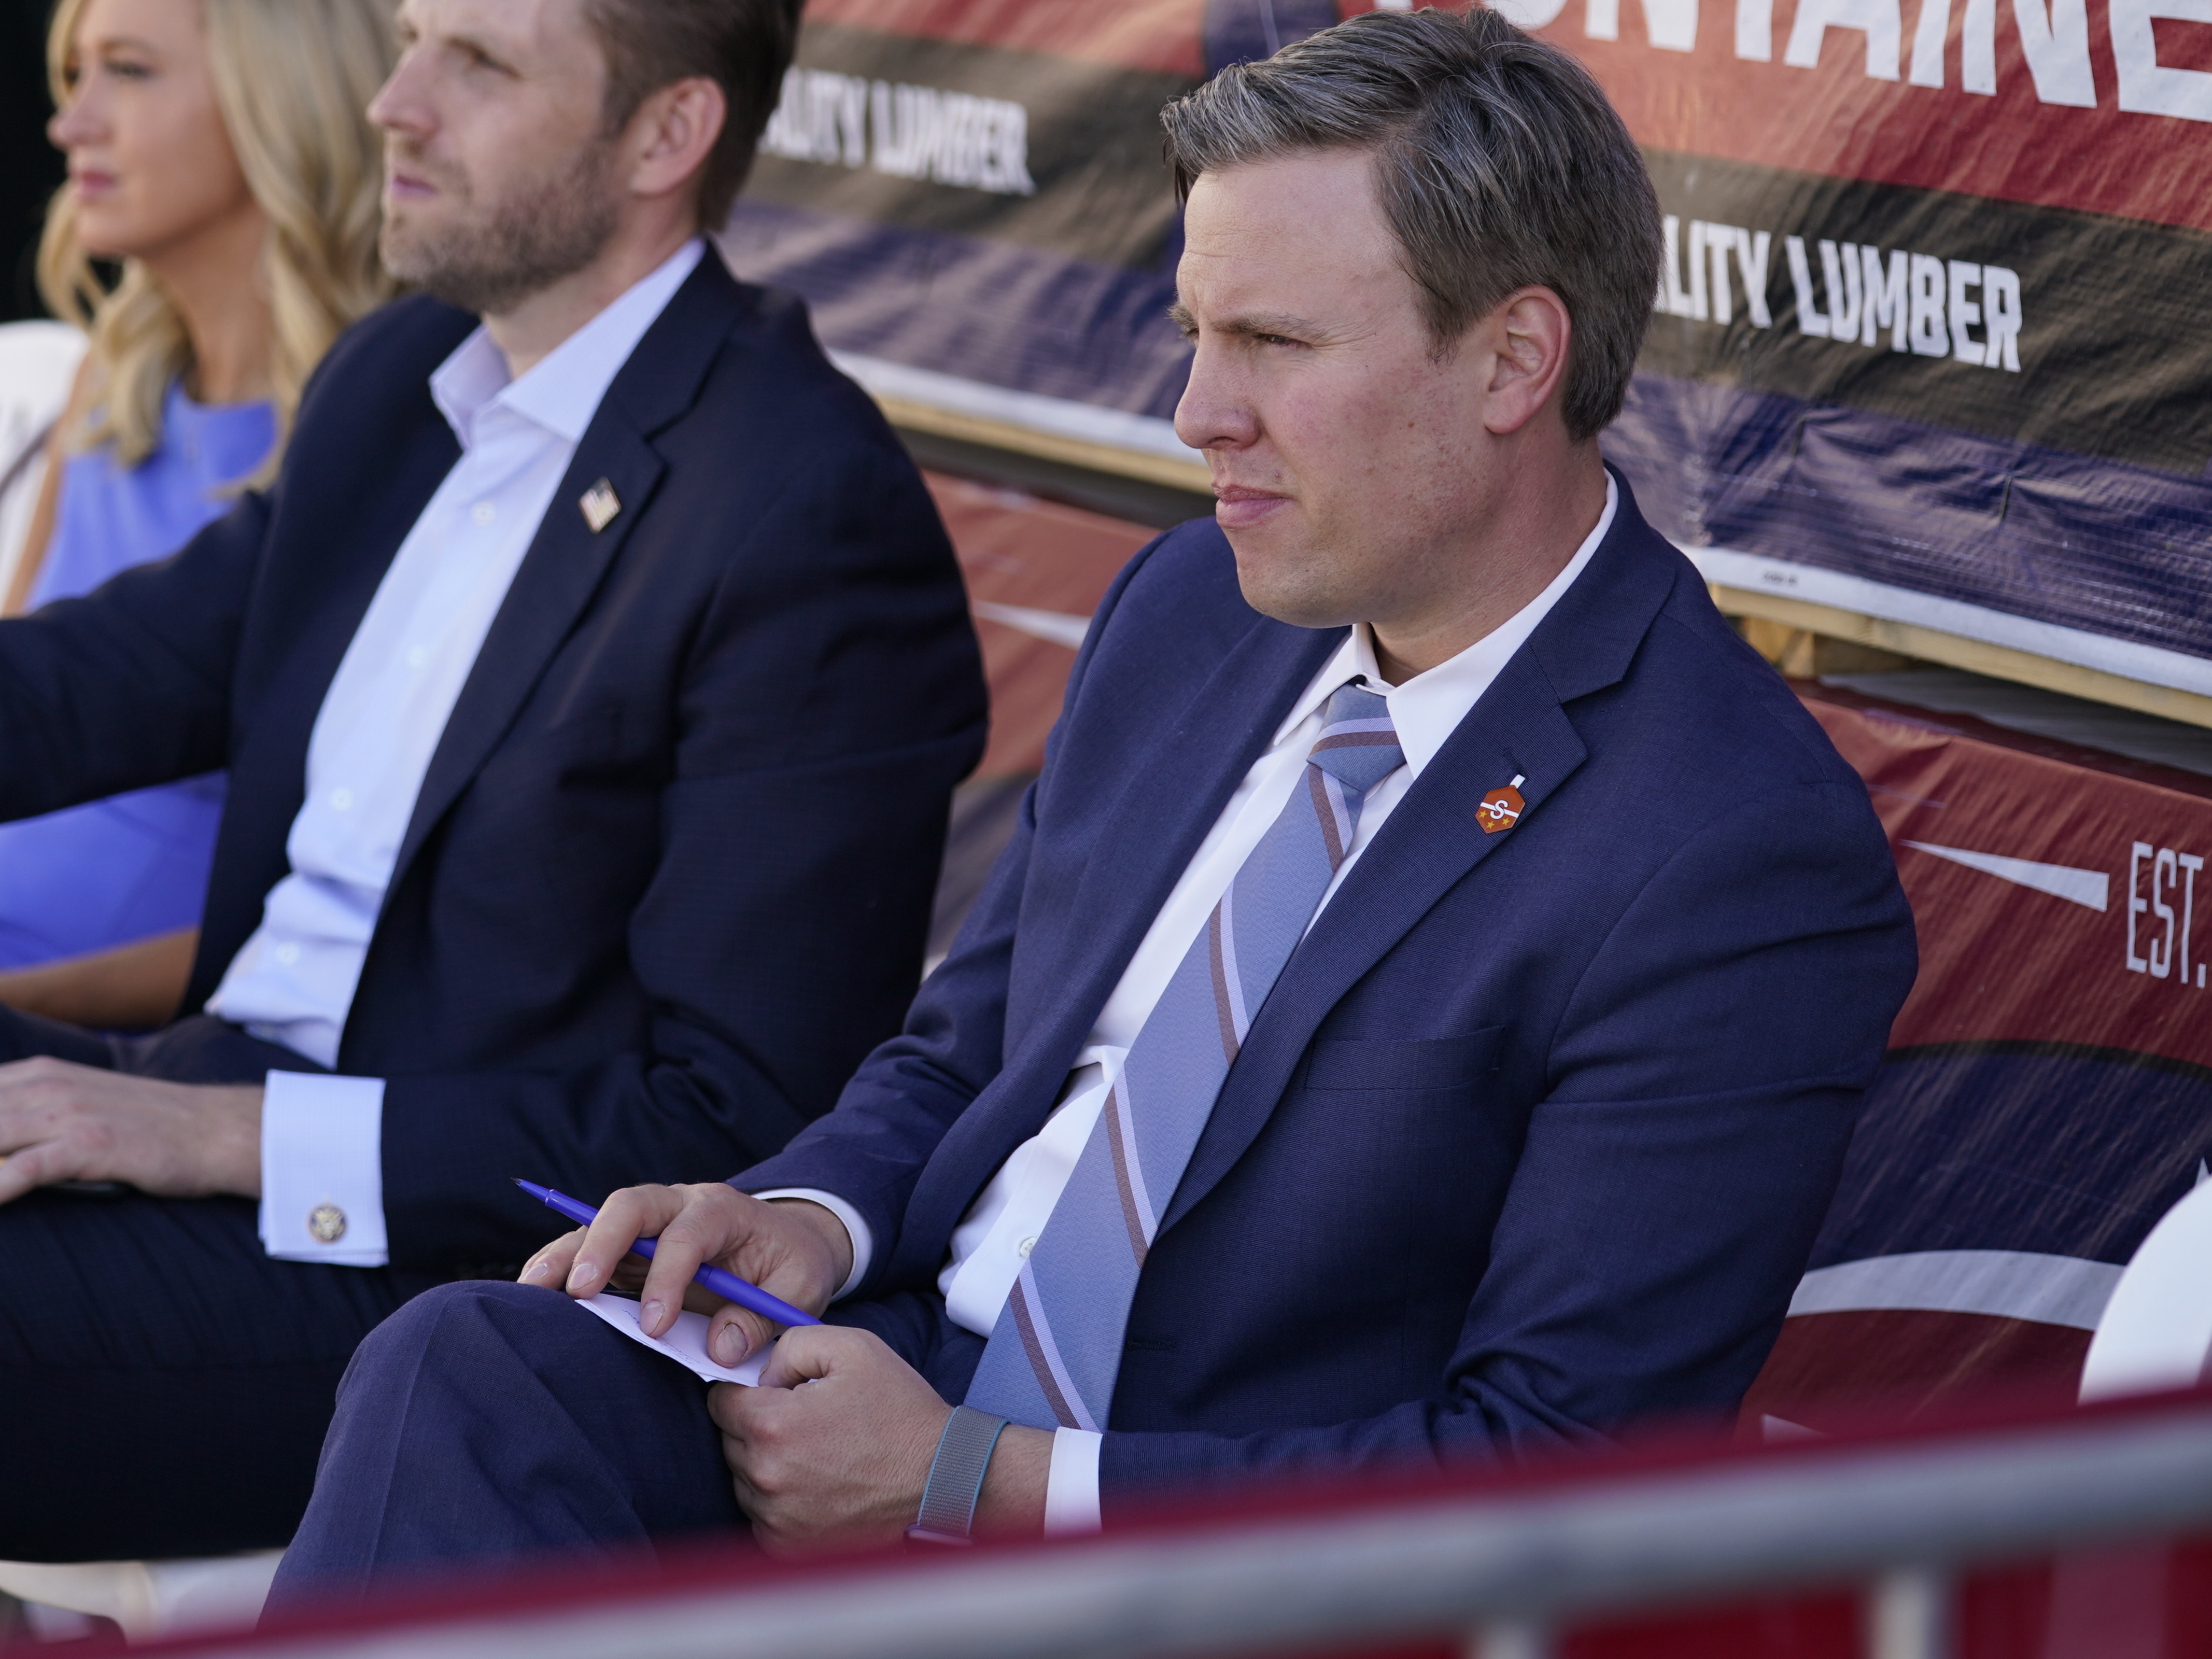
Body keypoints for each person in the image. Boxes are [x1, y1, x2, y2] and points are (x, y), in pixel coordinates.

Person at [271, 7, 1916, 1594]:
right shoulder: (1195, 609)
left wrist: (969, 1493)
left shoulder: (1731, 851)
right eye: (1196, 331)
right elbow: (967, 1045)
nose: (1198, 414)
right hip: (877, 1387)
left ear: (1511, 358)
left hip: (1179, 1554)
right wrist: (801, 1220)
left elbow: (1552, 1465)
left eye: (1271, 342)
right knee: (466, 1367)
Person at [0, 0, 985, 1565]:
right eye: (409, 40)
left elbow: (736, 1116)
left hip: (443, 1275)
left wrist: (225, 1135)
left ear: (665, 138)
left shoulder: (803, 512)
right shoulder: (405, 381)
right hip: (196, 1107)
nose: (394, 103)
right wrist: (183, 1116)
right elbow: (109, 677)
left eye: (480, 63)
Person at [0, 0, 396, 1033]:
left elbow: (353, 915)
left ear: (283, 102)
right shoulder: (105, 383)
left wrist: (23, 1013)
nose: (71, 122)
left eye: (126, 72)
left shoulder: (394, 440)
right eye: (72, 75)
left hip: (136, 1062)